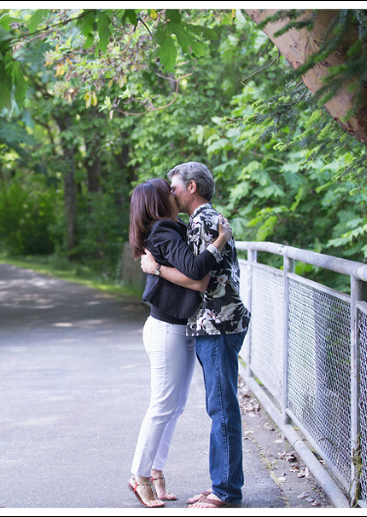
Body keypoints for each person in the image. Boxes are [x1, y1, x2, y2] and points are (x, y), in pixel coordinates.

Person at [141, 162, 250, 509]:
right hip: (216, 323)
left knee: (222, 408)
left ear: (191, 187)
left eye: (173, 187)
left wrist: (156, 268)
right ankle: (223, 483)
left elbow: (198, 279)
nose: (170, 193)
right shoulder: (202, 220)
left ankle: (226, 491)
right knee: (219, 405)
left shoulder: (203, 221)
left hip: (218, 324)